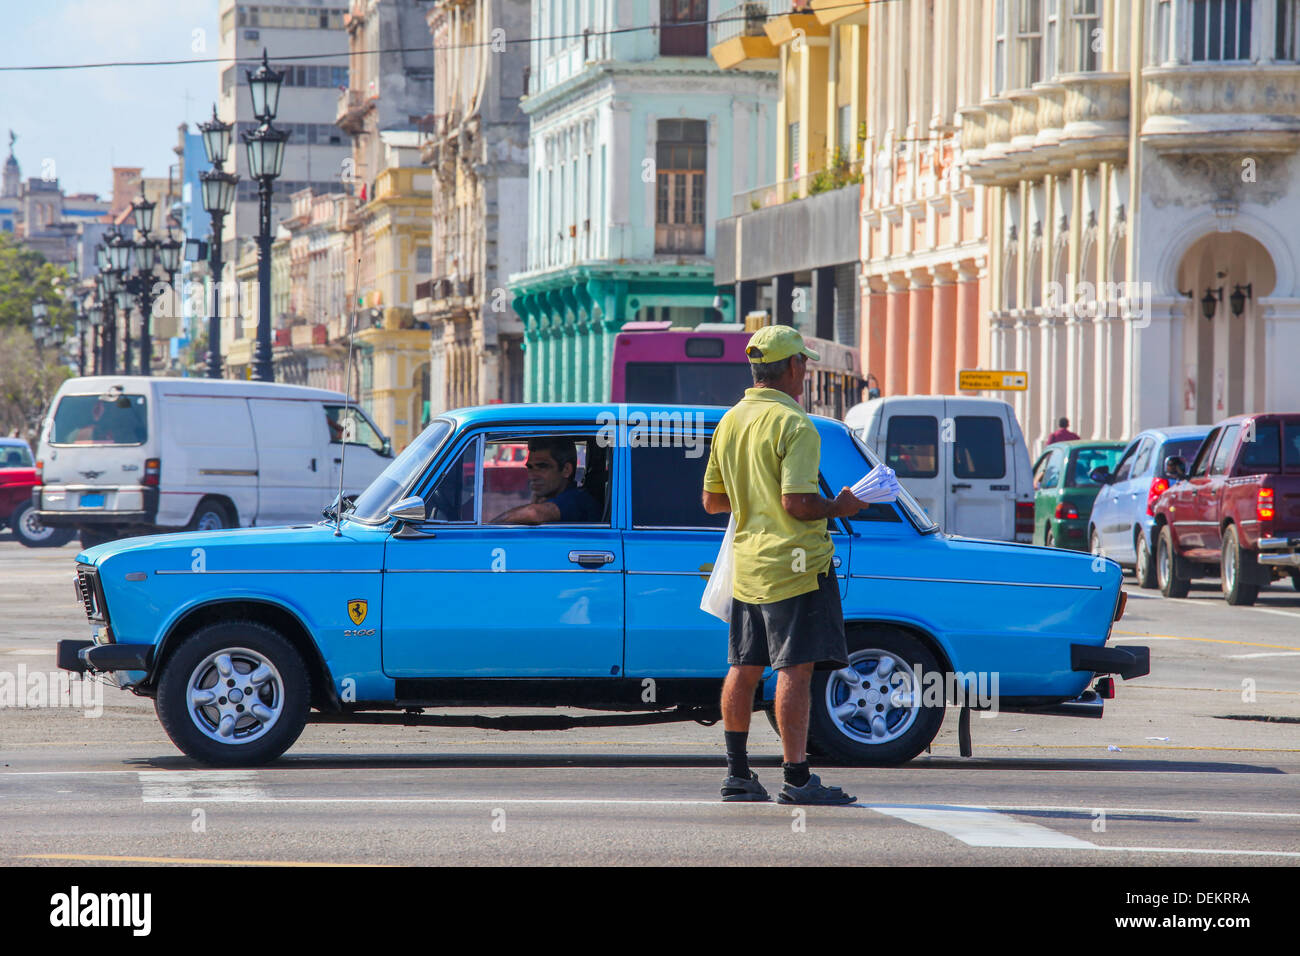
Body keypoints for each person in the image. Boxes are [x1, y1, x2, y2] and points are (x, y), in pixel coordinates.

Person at [702, 325, 866, 806]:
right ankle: (797, 779)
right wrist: (840, 507)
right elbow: (797, 503)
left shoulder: (731, 421)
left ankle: (738, 773)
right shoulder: (796, 425)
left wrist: (753, 494)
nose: (807, 372)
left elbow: (713, 501)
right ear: (793, 367)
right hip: (795, 567)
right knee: (795, 669)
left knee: (744, 666)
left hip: (747, 563)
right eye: (806, 363)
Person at [490, 437, 600, 524]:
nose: (533, 475)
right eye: (530, 467)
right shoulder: (554, 498)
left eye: (542, 466)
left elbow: (533, 514)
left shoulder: (576, 499)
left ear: (566, 470)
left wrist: (491, 527)